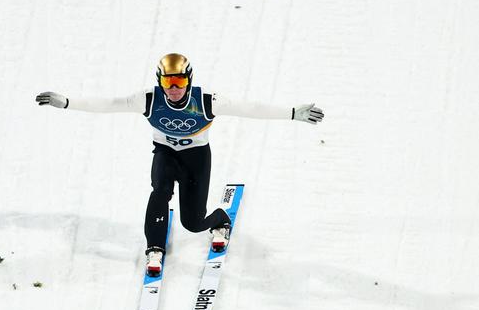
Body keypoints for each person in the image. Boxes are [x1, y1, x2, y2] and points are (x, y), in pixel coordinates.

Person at [36, 53, 324, 275]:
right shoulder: (148, 100)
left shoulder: (207, 101)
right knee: (159, 189)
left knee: (193, 223)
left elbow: (249, 109)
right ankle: (155, 248)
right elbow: (109, 104)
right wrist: (67, 102)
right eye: (167, 82)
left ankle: (220, 219)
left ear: (189, 79)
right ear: (160, 81)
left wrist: (291, 113)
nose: (173, 89)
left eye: (179, 82)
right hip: (166, 153)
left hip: (196, 160)